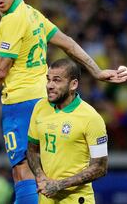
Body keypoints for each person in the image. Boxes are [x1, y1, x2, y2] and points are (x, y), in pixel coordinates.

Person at [0, 0, 127, 204]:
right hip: (44, 98)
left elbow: (1, 70)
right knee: (44, 169)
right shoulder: (32, 13)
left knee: (22, 170)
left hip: (21, 102)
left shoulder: (11, 20)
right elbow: (68, 43)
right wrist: (95, 71)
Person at [27, 59, 108, 203]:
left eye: (57, 80)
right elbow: (32, 150)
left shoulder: (91, 117)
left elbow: (100, 167)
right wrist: (40, 176)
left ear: (73, 84)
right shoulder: (40, 107)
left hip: (76, 199)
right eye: (48, 79)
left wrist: (59, 185)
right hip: (45, 198)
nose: (50, 85)